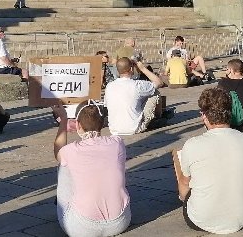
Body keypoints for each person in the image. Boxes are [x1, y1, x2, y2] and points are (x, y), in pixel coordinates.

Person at [172, 87, 243, 234]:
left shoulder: (193, 144)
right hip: (241, 218)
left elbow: (185, 183)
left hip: (201, 220)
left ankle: (185, 202)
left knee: (178, 158)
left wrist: (185, 197)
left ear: (204, 115)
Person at [51, 101, 131, 237]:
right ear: (102, 123)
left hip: (82, 228)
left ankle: (68, 204)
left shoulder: (70, 151)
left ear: (77, 125)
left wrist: (63, 120)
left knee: (63, 164)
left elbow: (58, 150)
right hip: (120, 222)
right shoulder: (117, 143)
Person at [103, 57, 166, 136]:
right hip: (134, 128)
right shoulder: (137, 85)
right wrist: (142, 68)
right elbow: (159, 83)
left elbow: (106, 105)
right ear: (131, 69)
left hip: (114, 129)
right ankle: (158, 118)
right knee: (155, 93)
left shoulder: (109, 86)